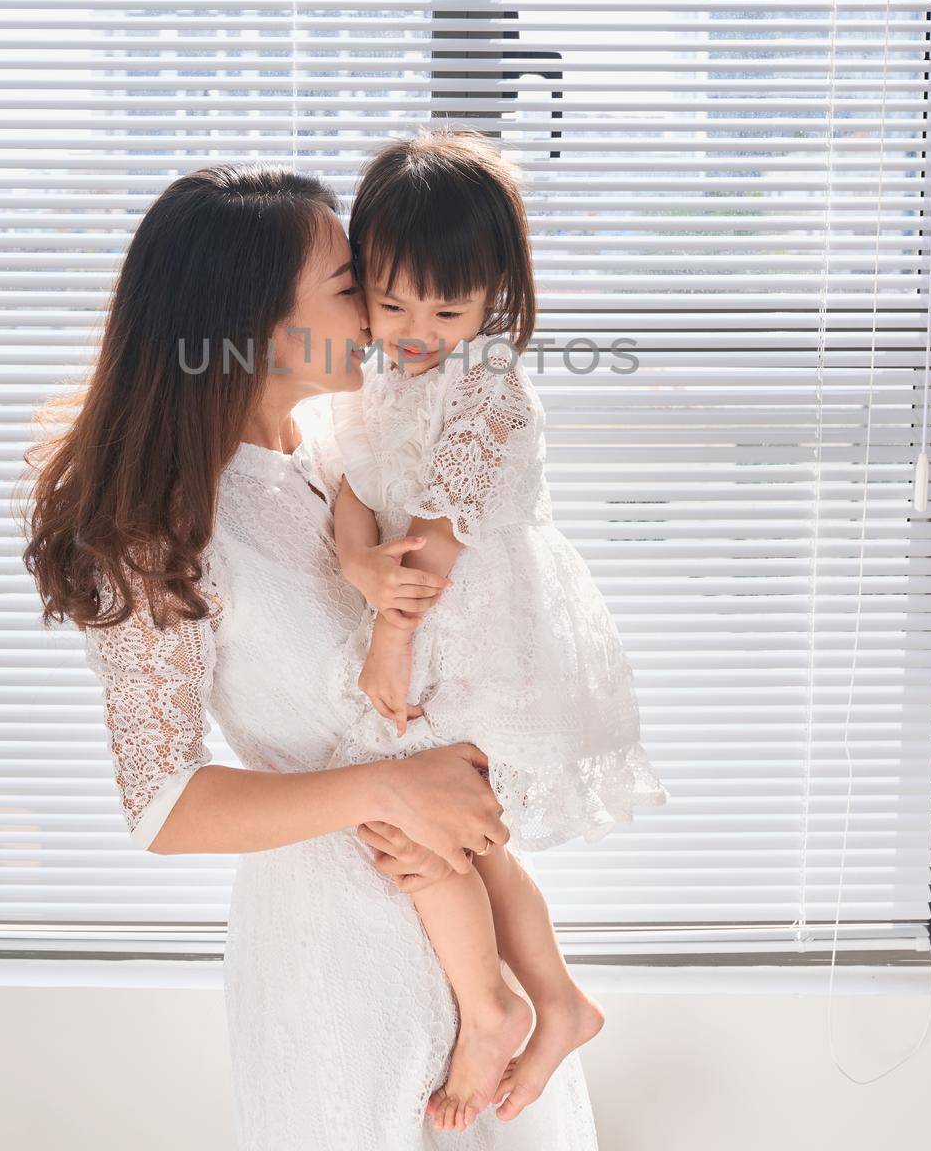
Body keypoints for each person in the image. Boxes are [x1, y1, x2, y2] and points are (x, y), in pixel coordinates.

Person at [21, 161, 600, 1149]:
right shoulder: (161, 526)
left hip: (468, 935)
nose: (383, 311)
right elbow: (163, 803)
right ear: (254, 319)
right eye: (353, 283)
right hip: (336, 962)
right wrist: (394, 788)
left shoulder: (345, 450)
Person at [322, 129, 670, 1130]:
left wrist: (386, 636)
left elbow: (435, 538)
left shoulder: (489, 389)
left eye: (445, 305)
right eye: (389, 303)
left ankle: (492, 1011)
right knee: (459, 840)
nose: (415, 326)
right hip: (413, 620)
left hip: (473, 640)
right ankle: (556, 999)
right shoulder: (375, 376)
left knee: (412, 831)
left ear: (495, 291)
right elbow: (344, 484)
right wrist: (354, 564)